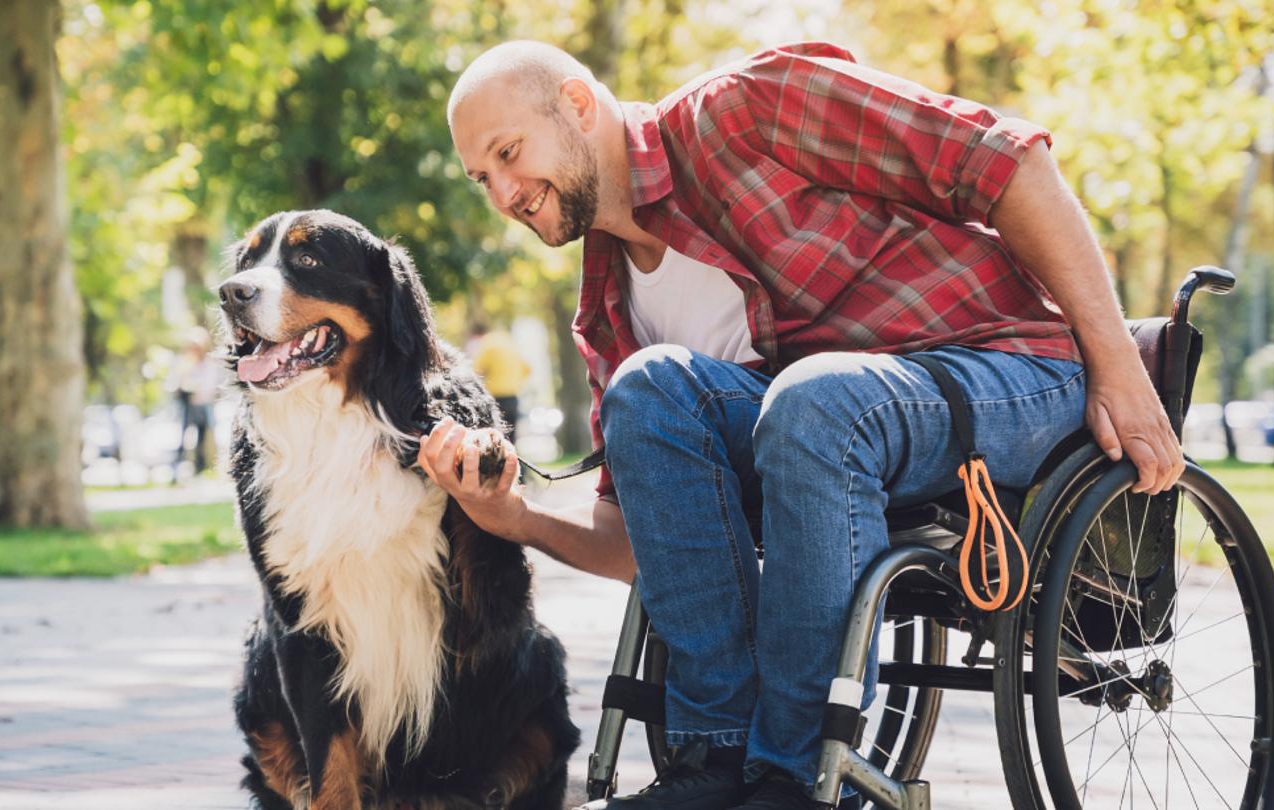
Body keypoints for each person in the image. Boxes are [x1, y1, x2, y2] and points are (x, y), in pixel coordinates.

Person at [423, 41, 1185, 810]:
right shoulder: (609, 308)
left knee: (813, 397)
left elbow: (1009, 163)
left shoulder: (749, 109)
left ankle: (794, 778)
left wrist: (1119, 364)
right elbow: (649, 545)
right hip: (840, 421)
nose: (504, 193)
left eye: (509, 153)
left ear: (579, 106)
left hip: (1009, 367)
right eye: (482, 177)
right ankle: (715, 764)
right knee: (649, 387)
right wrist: (514, 518)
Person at [167, 328, 223, 479]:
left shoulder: (209, 364)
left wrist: (201, 393)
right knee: (182, 437)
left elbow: (212, 385)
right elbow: (175, 381)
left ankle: (201, 468)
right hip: (187, 404)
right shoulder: (184, 362)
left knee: (203, 437)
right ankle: (177, 470)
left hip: (203, 405)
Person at [470, 320, 532, 443]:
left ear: (477, 335)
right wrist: (515, 383)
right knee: (511, 438)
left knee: (496, 438)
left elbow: (475, 372)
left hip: (495, 398)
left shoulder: (486, 344)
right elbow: (527, 369)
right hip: (513, 396)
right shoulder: (508, 342)